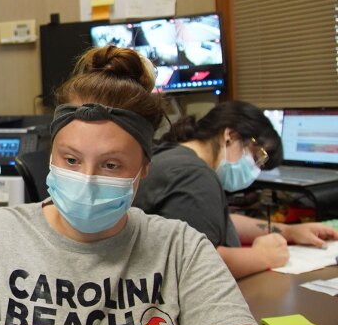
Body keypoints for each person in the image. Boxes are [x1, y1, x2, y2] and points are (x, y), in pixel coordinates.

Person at [0, 46, 270, 325]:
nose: (87, 180)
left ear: (144, 170)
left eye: (111, 165)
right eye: (72, 160)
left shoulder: (180, 249)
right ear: (52, 157)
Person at [134, 101, 338, 279]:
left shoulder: (172, 156)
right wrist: (262, 257)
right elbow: (199, 263)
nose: (255, 170)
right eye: (258, 156)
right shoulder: (194, 174)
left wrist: (288, 231)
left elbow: (214, 222)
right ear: (230, 135)